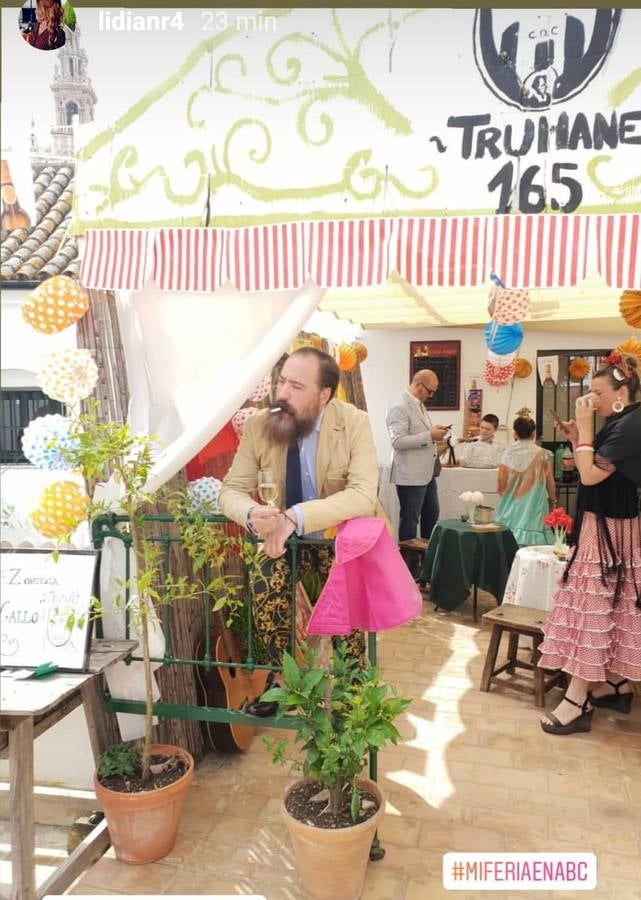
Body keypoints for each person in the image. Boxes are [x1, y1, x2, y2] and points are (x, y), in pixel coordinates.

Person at [219, 347, 383, 715]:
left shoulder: (353, 422)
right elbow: (230, 489)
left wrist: (296, 516)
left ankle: (351, 686)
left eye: (295, 386)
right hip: (281, 538)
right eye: (281, 381)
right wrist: (250, 512)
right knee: (264, 585)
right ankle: (283, 683)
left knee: (347, 609)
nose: (282, 393)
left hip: (337, 538)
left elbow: (362, 494)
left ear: (323, 395)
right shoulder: (262, 424)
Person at [538, 352, 641, 735]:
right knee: (607, 608)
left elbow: (591, 474)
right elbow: (599, 464)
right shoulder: (621, 422)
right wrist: (577, 434)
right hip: (609, 525)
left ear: (622, 391)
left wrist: (583, 426)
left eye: (597, 392)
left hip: (608, 532)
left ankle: (578, 700)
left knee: (593, 611)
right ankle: (616, 685)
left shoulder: (632, 423)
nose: (591, 400)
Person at [386, 370, 449, 543]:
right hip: (410, 474)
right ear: (419, 385)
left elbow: (416, 432)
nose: (432, 395)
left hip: (426, 473)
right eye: (430, 391)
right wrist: (430, 436)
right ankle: (409, 564)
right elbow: (397, 441)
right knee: (410, 521)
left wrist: (433, 430)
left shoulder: (419, 404)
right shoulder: (399, 406)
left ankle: (427, 559)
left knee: (431, 515)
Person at [495, 416, 556, 546]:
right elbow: (550, 481)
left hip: (510, 506)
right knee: (534, 551)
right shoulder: (543, 454)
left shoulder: (507, 452)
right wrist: (552, 501)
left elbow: (501, 481)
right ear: (533, 434)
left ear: (515, 433)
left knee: (508, 547)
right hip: (534, 506)